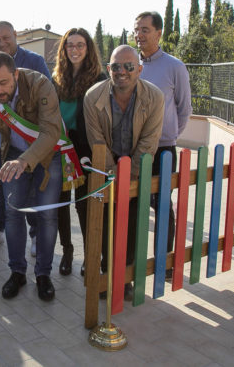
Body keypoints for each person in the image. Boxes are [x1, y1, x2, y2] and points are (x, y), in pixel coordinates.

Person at [0, 52, 62, 301]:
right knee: (12, 212)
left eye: (3, 83)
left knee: (47, 215)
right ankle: (17, 272)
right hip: (13, 154)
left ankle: (43, 274)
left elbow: (51, 132)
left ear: (16, 74)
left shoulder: (40, 84)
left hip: (48, 155)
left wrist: (25, 161)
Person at [84, 45, 164, 300]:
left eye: (129, 66)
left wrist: (130, 176)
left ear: (139, 69)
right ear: (109, 69)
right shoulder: (92, 97)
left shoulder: (155, 97)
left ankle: (126, 278)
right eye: (116, 66)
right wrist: (113, 174)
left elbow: (149, 142)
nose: (122, 72)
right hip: (106, 169)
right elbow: (96, 141)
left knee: (133, 224)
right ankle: (106, 273)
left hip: (138, 169)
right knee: (105, 223)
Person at [0, 21, 49, 253]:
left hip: (28, 143)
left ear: (15, 35)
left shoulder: (35, 61)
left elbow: (48, 99)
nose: (2, 43)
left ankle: (36, 235)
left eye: (6, 38)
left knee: (32, 194)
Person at [134, 11, 192, 280]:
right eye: (137, 30)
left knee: (162, 206)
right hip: (133, 149)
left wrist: (168, 136)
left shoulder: (174, 67)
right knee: (134, 204)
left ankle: (164, 263)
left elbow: (184, 108)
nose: (139, 35)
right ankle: (132, 261)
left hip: (163, 151)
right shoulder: (130, 64)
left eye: (145, 30)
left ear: (159, 33)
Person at [51, 28, 107, 276]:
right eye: (70, 45)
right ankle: (67, 252)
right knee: (60, 203)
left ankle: (90, 255)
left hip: (86, 151)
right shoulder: (56, 78)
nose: (74, 50)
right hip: (60, 148)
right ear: (64, 49)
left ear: (88, 48)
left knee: (84, 205)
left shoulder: (99, 79)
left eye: (80, 45)